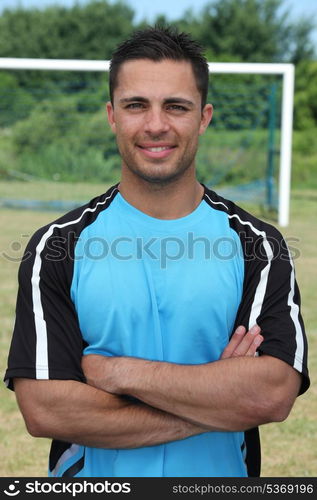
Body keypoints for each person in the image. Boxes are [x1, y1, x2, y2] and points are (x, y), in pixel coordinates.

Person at [4, 26, 309, 478]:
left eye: (176, 106)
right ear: (112, 115)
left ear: (204, 117)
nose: (155, 125)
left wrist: (118, 372)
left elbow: (271, 394)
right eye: (135, 105)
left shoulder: (258, 246)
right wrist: (218, 400)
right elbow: (47, 411)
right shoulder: (58, 246)